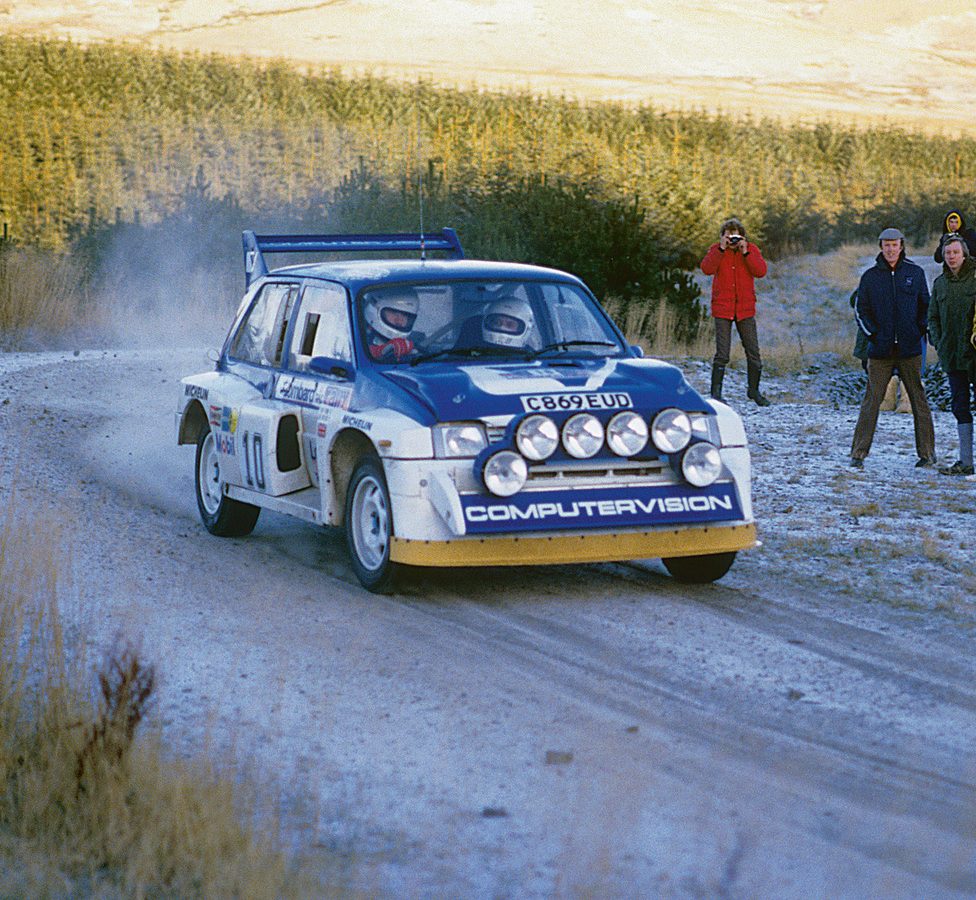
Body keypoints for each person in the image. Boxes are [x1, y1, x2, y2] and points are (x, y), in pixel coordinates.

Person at [850, 227, 936, 468]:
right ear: (881, 247)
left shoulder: (915, 273)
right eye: (886, 245)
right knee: (871, 401)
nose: (890, 249)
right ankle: (858, 453)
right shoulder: (870, 277)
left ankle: (927, 454)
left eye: (894, 245)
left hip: (910, 350)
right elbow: (861, 310)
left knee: (919, 401)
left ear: (901, 246)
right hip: (880, 352)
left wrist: (918, 331)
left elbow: (926, 307)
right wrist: (874, 335)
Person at [700, 217, 770, 406]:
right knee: (722, 353)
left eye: (736, 237)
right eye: (729, 236)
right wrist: (721, 249)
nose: (732, 241)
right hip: (723, 308)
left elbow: (761, 271)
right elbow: (706, 269)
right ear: (722, 237)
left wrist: (746, 252)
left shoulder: (750, 249)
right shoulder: (716, 250)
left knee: (753, 352)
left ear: (743, 237)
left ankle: (754, 391)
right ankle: (716, 394)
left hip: (745, 309)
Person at [928, 234, 976, 475]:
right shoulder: (940, 284)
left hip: (974, 355)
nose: (951, 257)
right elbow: (932, 317)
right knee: (960, 407)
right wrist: (939, 343)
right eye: (947, 253)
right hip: (952, 356)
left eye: (956, 252)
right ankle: (966, 462)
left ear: (964, 254)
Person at [364, 288, 420, 361]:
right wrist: (380, 351)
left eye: (405, 315)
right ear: (374, 309)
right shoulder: (357, 333)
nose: (400, 320)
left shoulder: (415, 341)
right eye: (394, 313)